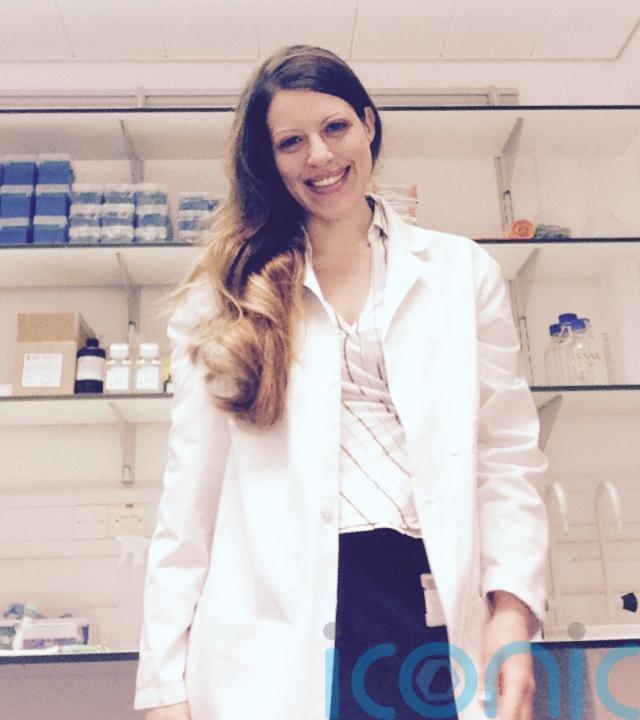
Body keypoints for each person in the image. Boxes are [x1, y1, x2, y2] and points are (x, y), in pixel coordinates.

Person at [134, 45, 548, 720]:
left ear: (368, 123)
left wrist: (512, 612)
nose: (320, 156)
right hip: (275, 632)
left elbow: (506, 457)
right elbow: (189, 500)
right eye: (291, 142)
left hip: (427, 610)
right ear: (269, 160)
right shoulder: (228, 296)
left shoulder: (460, 273)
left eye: (335, 127)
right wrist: (163, 687)